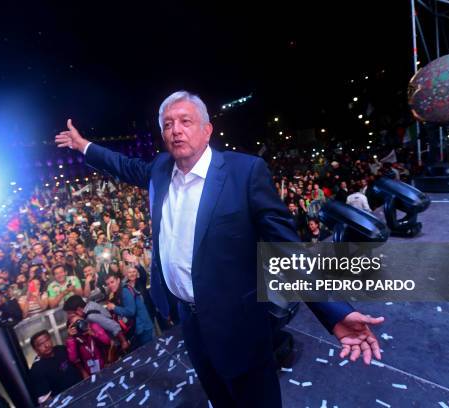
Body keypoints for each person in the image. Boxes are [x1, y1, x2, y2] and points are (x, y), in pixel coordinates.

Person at [55, 90, 384, 407]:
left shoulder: (244, 172)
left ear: (207, 129)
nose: (176, 130)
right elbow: (123, 165)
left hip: (240, 321)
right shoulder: (159, 171)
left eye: (185, 121)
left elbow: (288, 250)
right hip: (190, 319)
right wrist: (84, 145)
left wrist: (335, 312)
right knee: (218, 394)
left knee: (257, 399)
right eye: (168, 124)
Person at [29, 330, 83, 405]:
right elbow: (45, 400)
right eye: (41, 344)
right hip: (66, 403)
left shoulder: (61, 349)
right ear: (35, 349)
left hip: (82, 390)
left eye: (47, 340)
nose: (46, 345)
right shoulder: (37, 369)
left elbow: (77, 365)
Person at [104, 273, 154, 349]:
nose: (110, 285)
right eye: (108, 284)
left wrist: (114, 308)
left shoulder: (124, 291)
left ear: (118, 280)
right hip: (139, 328)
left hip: (144, 328)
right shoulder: (118, 292)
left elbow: (131, 311)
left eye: (112, 282)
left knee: (150, 352)